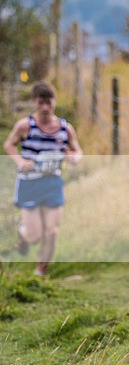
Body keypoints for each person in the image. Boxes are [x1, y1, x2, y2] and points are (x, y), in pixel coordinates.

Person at [3, 81, 82, 276]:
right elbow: (9, 145)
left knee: (52, 232)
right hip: (30, 184)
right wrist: (20, 161)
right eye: (41, 103)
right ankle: (23, 235)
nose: (45, 107)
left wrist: (75, 157)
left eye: (49, 102)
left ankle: (40, 272)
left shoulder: (65, 128)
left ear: (54, 102)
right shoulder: (25, 126)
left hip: (52, 183)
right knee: (34, 235)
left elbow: (77, 149)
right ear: (34, 103)